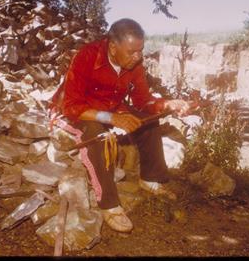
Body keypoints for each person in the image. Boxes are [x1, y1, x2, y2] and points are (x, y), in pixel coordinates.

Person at [51, 18, 190, 232]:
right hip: (75, 111)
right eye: (132, 52)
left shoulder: (134, 63)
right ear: (113, 47)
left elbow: (143, 100)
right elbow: (71, 107)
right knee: (97, 136)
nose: (138, 57)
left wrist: (167, 104)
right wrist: (112, 119)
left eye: (141, 51)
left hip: (110, 108)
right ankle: (109, 205)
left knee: (148, 121)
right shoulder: (86, 56)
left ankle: (151, 178)